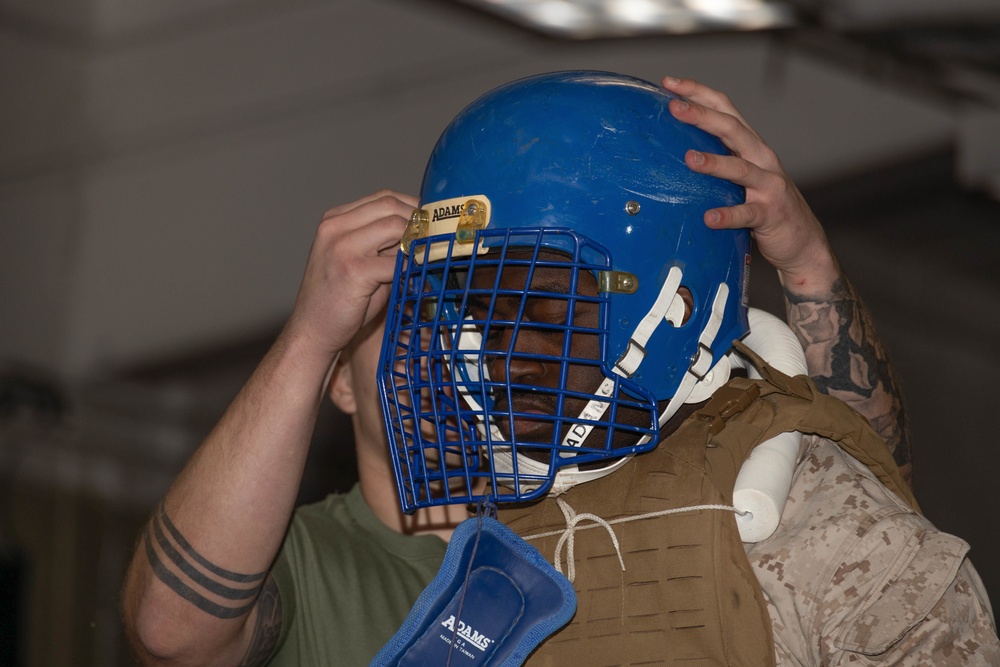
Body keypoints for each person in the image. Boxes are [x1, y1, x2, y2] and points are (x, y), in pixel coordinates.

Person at [121, 73, 928, 666]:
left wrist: (808, 260)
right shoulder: (311, 562)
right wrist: (305, 334)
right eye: (402, 320)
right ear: (335, 381)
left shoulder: (620, 503)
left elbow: (869, 466)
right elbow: (169, 630)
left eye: (479, 312)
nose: (452, 347)